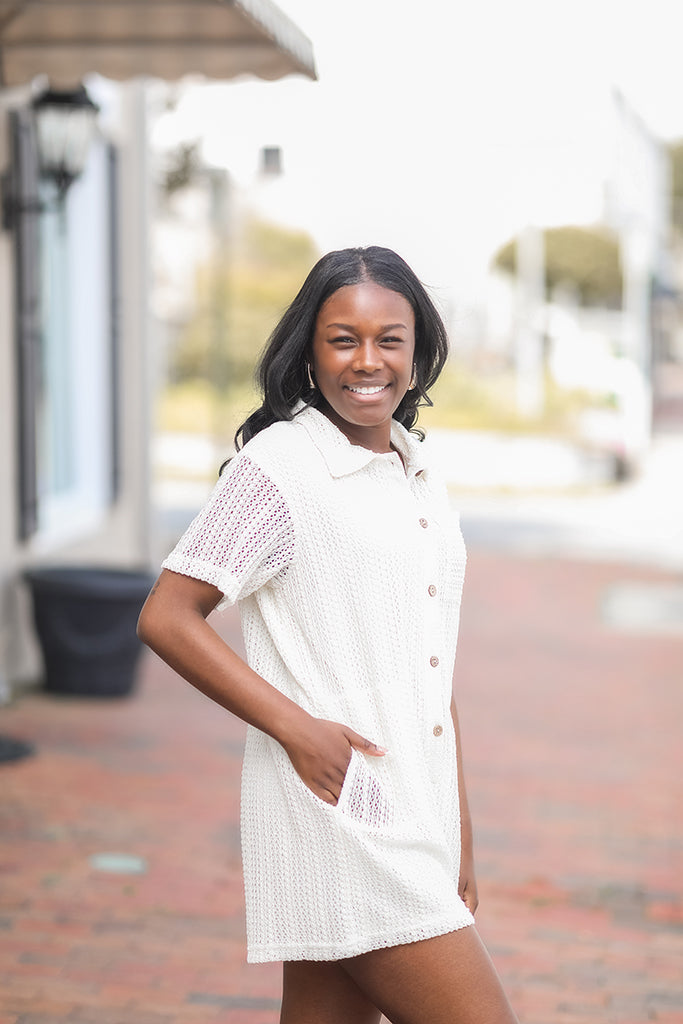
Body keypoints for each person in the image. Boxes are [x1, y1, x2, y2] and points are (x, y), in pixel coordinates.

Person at [137, 246, 518, 1024]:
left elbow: (426, 665)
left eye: (390, 339)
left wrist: (460, 834)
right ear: (309, 350)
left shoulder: (413, 466)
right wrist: (299, 730)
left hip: (413, 804)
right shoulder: (279, 468)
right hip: (345, 807)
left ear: (419, 351)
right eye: (343, 338)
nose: (367, 361)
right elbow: (167, 615)